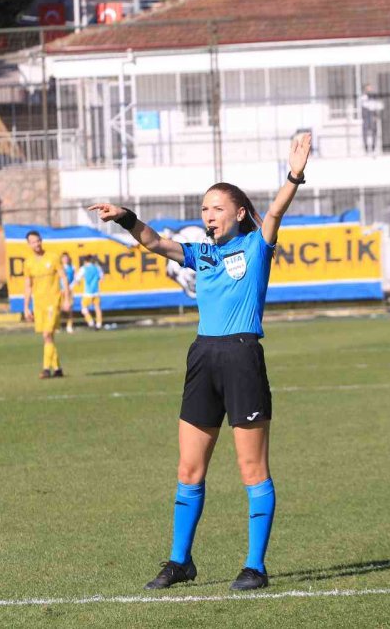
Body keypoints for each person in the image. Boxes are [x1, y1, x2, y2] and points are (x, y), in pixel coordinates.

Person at [88, 132, 312, 592]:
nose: (207, 214)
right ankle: (180, 561)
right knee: (189, 470)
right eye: (204, 208)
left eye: (216, 207)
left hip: (242, 355)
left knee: (253, 469)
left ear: (239, 214)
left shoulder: (256, 247)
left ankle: (254, 566)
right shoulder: (201, 253)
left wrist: (293, 174)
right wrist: (125, 217)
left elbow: (275, 212)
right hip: (203, 357)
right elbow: (153, 242)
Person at [22, 231, 68, 378]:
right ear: (29, 244)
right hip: (39, 303)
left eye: (38, 241)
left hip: (53, 301)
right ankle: (58, 368)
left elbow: (63, 278)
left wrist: (66, 299)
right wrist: (26, 306)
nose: (36, 244)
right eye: (33, 242)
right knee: (47, 337)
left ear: (41, 241)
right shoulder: (28, 263)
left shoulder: (53, 257)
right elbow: (28, 285)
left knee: (48, 334)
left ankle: (46, 369)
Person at [72, 255, 105, 330]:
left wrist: (78, 282)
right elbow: (102, 278)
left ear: (85, 261)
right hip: (96, 291)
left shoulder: (84, 268)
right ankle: (99, 324)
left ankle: (90, 322)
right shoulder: (97, 267)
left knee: (84, 308)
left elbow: (77, 279)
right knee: (97, 308)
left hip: (87, 292)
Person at [359, 84, 383, 155]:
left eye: (370, 88)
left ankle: (373, 148)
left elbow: (378, 106)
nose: (370, 90)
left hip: (372, 116)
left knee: (374, 133)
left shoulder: (374, 98)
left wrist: (376, 115)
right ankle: (366, 149)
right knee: (365, 133)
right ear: (365, 90)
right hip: (366, 116)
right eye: (368, 88)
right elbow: (364, 107)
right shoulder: (363, 98)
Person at [60, 252, 76, 334]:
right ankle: (57, 326)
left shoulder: (72, 267)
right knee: (58, 309)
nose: (65, 259)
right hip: (60, 291)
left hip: (68, 290)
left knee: (69, 309)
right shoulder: (59, 268)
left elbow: (74, 278)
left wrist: (70, 287)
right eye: (63, 258)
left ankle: (69, 326)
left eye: (66, 258)